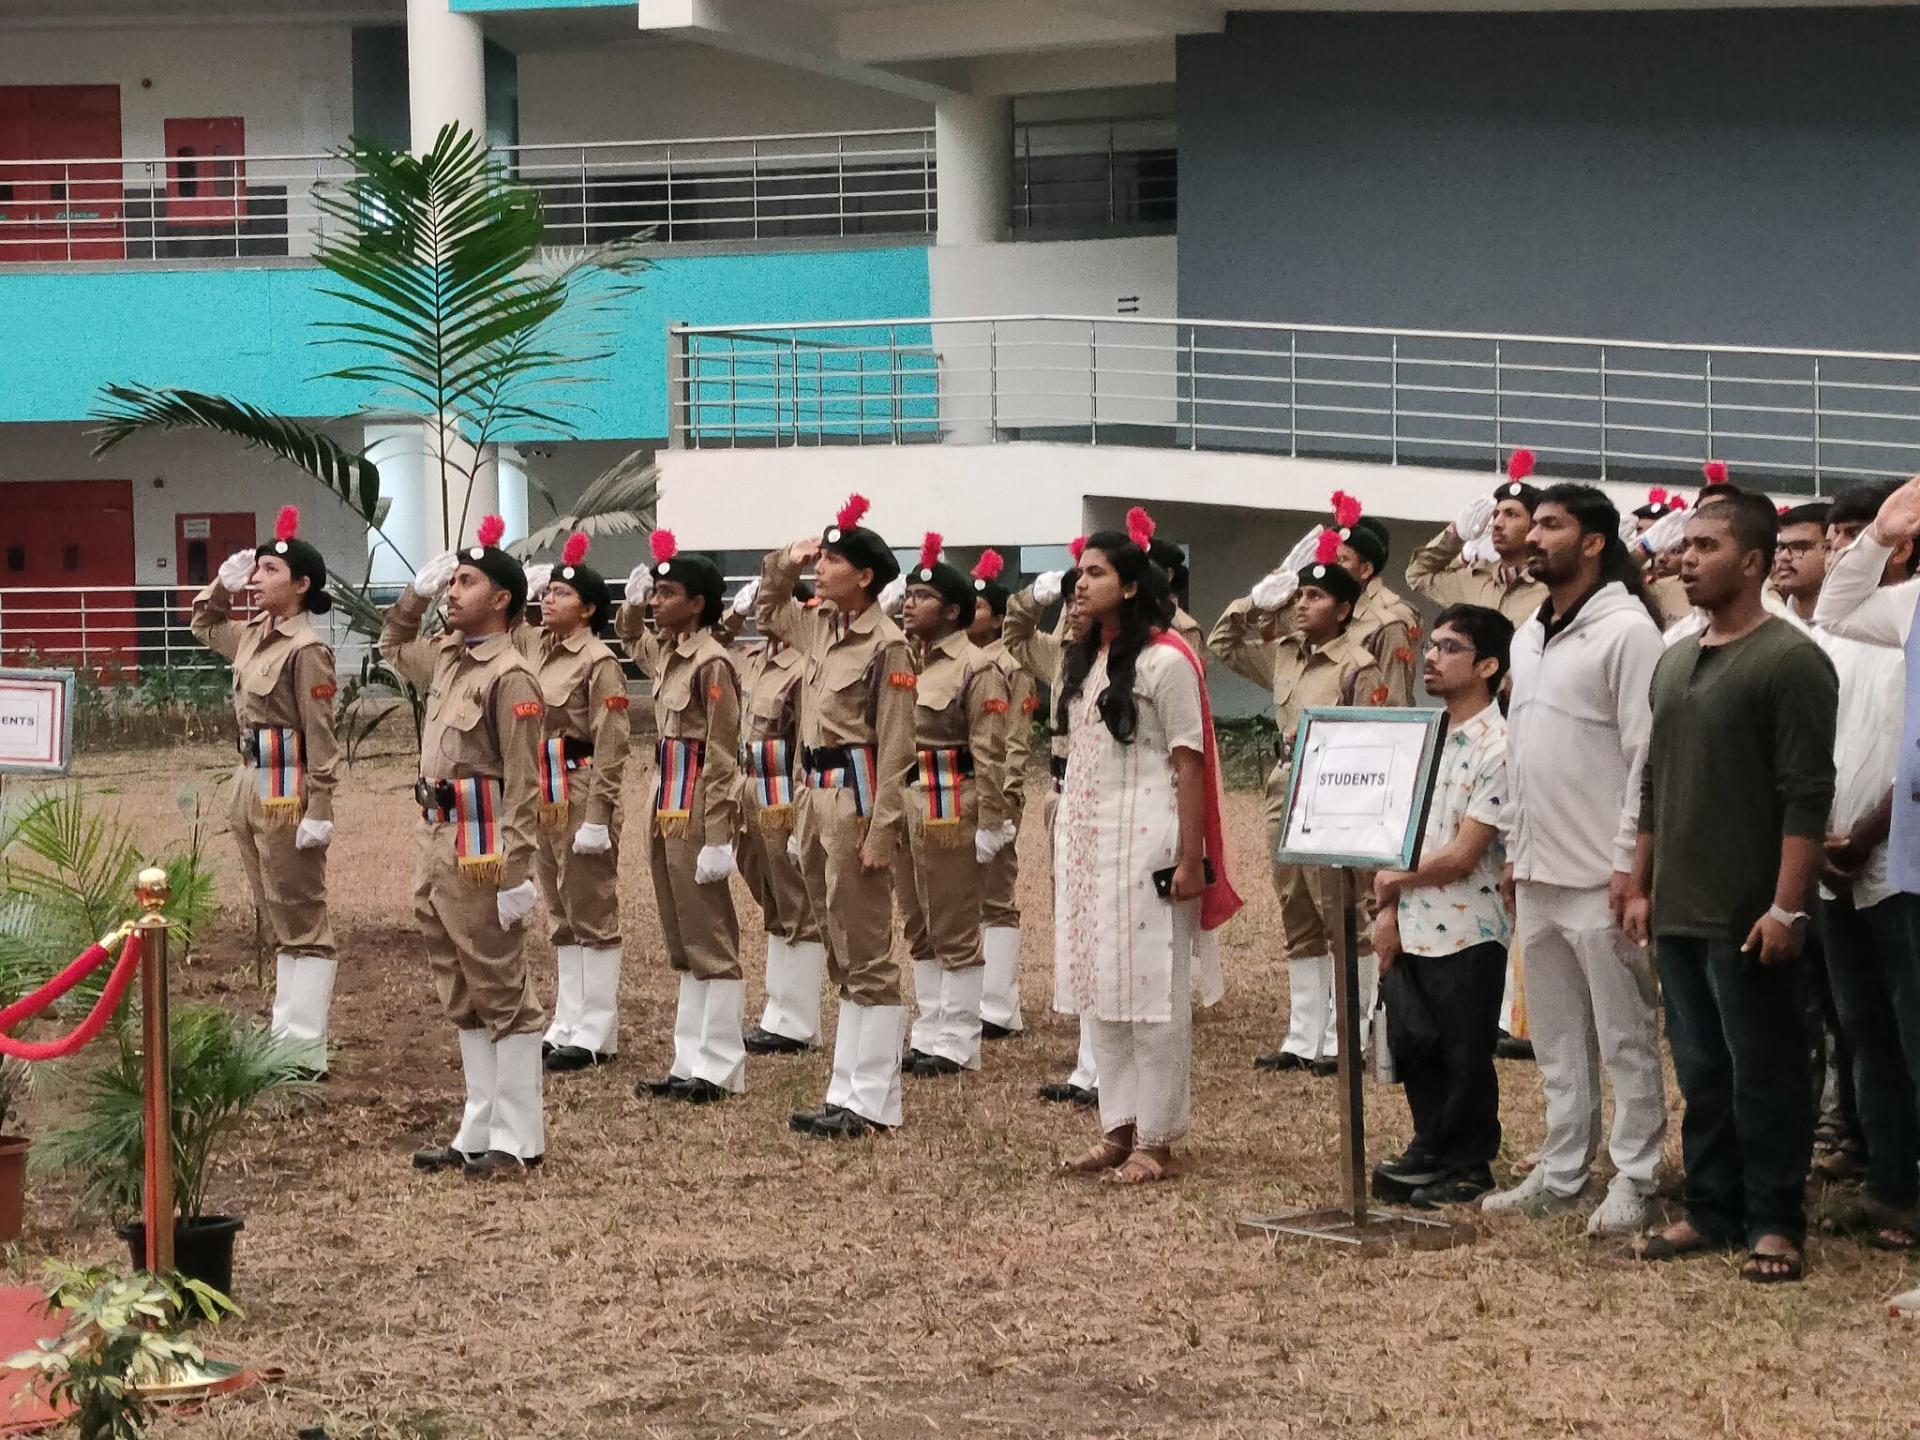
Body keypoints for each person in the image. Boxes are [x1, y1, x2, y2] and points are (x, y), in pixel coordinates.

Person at [1624, 487, 1837, 1284]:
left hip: (1750, 912)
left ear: (1753, 562)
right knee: (1702, 1070)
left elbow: (1806, 795)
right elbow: (1654, 782)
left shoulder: (1791, 660)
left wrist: (1787, 906)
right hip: (1680, 908)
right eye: (1685, 546)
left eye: (1706, 546)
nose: (1686, 559)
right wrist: (1641, 883)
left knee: (1766, 1070)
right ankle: (1711, 1208)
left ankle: (1775, 1221)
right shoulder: (1675, 658)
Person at [1485, 484, 1668, 1236]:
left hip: (1602, 876)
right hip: (1538, 872)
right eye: (1533, 524)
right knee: (1557, 1039)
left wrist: (1630, 867)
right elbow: (1524, 753)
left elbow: (1646, 758)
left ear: (1593, 542)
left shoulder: (1628, 631)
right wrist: (1514, 850)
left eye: (1551, 526)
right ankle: (1563, 1171)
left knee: (1625, 1036)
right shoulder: (1529, 635)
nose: (1533, 537)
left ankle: (1637, 1175)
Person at [1055, 508, 1241, 1185]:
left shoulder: (1167, 660)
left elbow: (1190, 762)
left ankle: (1157, 1139)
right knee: (1101, 987)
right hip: (1088, 845)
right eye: (1079, 573)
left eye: (1096, 573)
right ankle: (1117, 1128)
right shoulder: (1088, 660)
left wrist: (1191, 859)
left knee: (1152, 990)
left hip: (1151, 842)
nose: (1080, 584)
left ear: (1131, 586)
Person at [383, 516, 548, 1181]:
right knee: (461, 988)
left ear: (502, 599)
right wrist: (413, 598)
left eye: (467, 581)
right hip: (437, 837)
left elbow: (525, 783)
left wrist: (518, 871)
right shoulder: (449, 658)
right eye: (450, 581)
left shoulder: (511, 676)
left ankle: (519, 1137)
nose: (452, 591)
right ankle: (479, 1125)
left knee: (501, 988)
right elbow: (392, 645)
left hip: (481, 844)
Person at [756, 495, 917, 1139]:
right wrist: (785, 562)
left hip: (856, 798)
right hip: (814, 797)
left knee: (867, 950)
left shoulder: (888, 645)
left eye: (831, 561)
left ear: (866, 576)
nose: (819, 569)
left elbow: (897, 747)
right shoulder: (819, 627)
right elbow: (767, 609)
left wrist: (882, 831)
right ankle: (846, 1090)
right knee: (839, 948)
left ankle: (874, 1099)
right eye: (818, 559)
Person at [1210, 530, 1388, 1075]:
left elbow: (1375, 741)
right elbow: (1222, 643)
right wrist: (1255, 600)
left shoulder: (1358, 665)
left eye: (1315, 597)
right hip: (1285, 785)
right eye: (1299, 596)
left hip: (1334, 789)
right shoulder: (1284, 655)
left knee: (1342, 912)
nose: (1302, 605)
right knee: (1297, 908)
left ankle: (1347, 1033)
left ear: (1344, 609)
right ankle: (1304, 1035)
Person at [1372, 604, 1515, 1209]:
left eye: (1450, 648)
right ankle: (1428, 1146)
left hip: (1468, 924)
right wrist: (1387, 910)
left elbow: (1463, 854)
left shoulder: (1499, 746)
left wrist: (1393, 883)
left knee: (1463, 1050)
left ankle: (1468, 1162)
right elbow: (1398, 835)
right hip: (1411, 917)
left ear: (1488, 666)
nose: (1431, 657)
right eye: (1431, 645)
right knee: (1418, 1041)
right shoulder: (1425, 737)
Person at [189, 506, 340, 1077]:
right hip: (248, 779)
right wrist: (219, 585)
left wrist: (320, 807)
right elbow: (204, 625)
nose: (256, 577)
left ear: (301, 585)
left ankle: (306, 1048)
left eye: (269, 570)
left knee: (301, 915)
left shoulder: (307, 651)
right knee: (275, 910)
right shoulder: (253, 636)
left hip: (286, 786)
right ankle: (285, 1036)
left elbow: (321, 738)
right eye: (256, 569)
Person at [1812, 480, 1920, 1258]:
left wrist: (1866, 833)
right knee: (1868, 1031)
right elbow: (1838, 606)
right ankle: (1890, 1183)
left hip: (1896, 859)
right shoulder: (1905, 606)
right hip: (1849, 866)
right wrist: (1879, 533)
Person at [617, 531, 746, 1104]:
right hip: (664, 800)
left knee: (709, 932)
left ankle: (721, 1065)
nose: (656, 601)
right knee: (682, 933)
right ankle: (688, 1060)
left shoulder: (712, 662)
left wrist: (718, 835)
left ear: (697, 603)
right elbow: (630, 638)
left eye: (666, 593)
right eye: (655, 592)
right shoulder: (671, 652)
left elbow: (721, 753)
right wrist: (630, 602)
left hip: (695, 803)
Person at [508, 534, 630, 1074]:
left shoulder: (599, 661)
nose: (549, 599)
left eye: (561, 593)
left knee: (591, 908)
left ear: (588, 608)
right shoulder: (538, 649)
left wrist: (599, 817)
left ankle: (598, 1029)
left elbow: (612, 742)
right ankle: (568, 1020)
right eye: (547, 591)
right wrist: (519, 589)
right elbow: (506, 625)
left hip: (579, 789)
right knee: (560, 911)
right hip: (544, 790)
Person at [894, 535, 1014, 1076]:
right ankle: (930, 1028)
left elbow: (990, 751)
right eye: (908, 594)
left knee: (954, 922)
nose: (909, 603)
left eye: (922, 597)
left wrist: (992, 821)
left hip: (950, 800)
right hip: (906, 800)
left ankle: (960, 1037)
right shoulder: (903, 661)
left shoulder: (976, 667)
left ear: (952, 611)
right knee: (917, 921)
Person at [1005, 561, 1101, 1108]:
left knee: (1105, 928)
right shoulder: (1063, 657)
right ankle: (1089, 1063)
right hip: (1063, 795)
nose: (1074, 606)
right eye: (1069, 598)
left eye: (1085, 595)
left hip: (1106, 800)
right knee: (1075, 923)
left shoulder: (1140, 658)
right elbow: (1013, 634)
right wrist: (1034, 595)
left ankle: (1109, 1066)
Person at [722, 575, 829, 1057]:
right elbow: (710, 644)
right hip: (749, 788)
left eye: (771, 604)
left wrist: (802, 815)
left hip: (783, 789)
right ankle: (777, 1011)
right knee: (770, 900)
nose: (762, 613)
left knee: (796, 904)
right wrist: (734, 615)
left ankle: (798, 1021)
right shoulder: (750, 658)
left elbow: (808, 738)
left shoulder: (804, 664)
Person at [1249, 492, 1420, 705]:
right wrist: (1278, 581)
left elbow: (1395, 701)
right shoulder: (1316, 606)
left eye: (1341, 560)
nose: (1332, 566)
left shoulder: (1391, 618)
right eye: (1330, 558)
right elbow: (1271, 632)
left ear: (1366, 569)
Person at [966, 550, 1036, 1042]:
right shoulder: (954, 662)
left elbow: (1016, 738)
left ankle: (999, 1005)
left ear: (995, 619)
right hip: (955, 792)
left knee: (996, 898)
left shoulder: (1011, 668)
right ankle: (970, 997)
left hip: (995, 795)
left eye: (978, 607)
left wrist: (1007, 800)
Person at [1404, 449, 1549, 626]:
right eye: (1495, 515)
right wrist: (1456, 534)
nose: (1497, 524)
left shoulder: (1551, 588)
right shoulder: (1473, 580)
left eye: (1511, 514)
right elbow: (1417, 574)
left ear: (1533, 526)